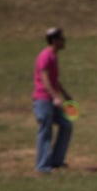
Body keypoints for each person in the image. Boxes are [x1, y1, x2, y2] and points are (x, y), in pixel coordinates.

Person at [32, 27, 74, 173]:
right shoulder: (45, 56)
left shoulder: (53, 56)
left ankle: (57, 161)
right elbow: (44, 79)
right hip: (43, 99)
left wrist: (65, 94)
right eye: (61, 38)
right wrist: (56, 97)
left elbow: (54, 79)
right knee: (45, 131)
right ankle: (42, 166)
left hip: (52, 98)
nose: (64, 40)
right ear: (55, 41)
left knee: (66, 124)